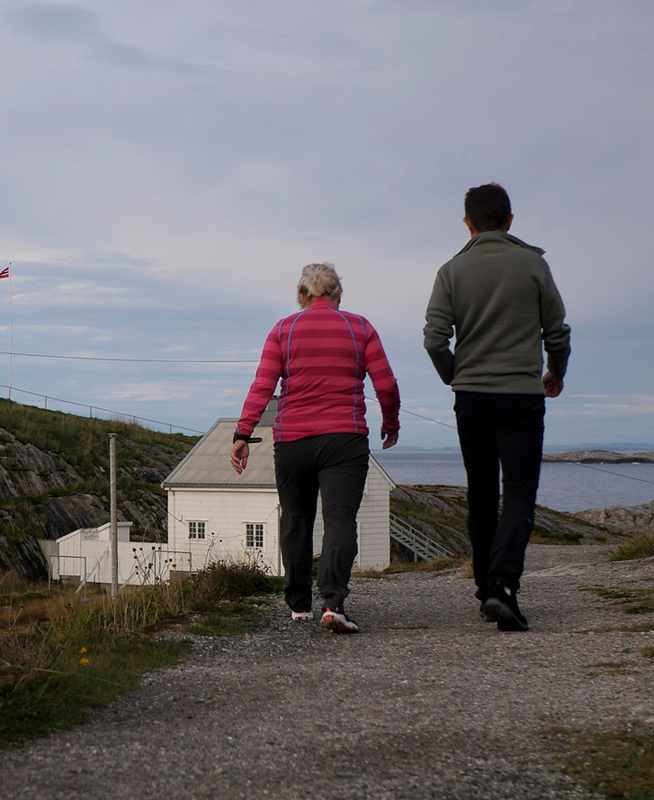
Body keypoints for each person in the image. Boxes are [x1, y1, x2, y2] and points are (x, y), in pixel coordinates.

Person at [423, 183, 571, 632]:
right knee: (520, 492)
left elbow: (434, 339)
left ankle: (487, 588)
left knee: (482, 495)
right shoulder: (533, 265)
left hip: (471, 399)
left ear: (467, 223)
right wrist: (556, 372)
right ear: (510, 220)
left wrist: (455, 376)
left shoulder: (451, 270)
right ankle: (503, 586)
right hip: (521, 398)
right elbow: (557, 332)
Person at [231, 263, 400, 633]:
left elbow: (263, 386)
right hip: (345, 439)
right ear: (338, 295)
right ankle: (333, 603)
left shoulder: (283, 329)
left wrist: (243, 433)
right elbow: (385, 384)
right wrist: (391, 423)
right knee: (340, 520)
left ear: (302, 297)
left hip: (292, 441)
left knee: (295, 518)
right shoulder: (361, 327)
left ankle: (298, 604)